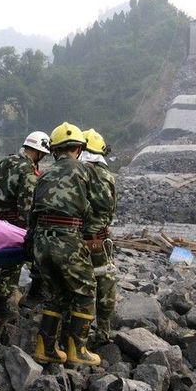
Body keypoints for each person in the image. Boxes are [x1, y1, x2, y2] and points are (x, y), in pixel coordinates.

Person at [28, 122, 100, 366]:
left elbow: (32, 213)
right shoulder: (85, 171)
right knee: (86, 288)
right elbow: (97, 209)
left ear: (55, 150)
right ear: (79, 148)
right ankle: (76, 348)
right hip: (67, 237)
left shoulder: (44, 174)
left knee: (56, 292)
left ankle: (45, 346)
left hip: (41, 239)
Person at [0, 131, 50, 322]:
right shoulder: (27, 171)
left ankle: (2, 308)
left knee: (3, 263)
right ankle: (3, 312)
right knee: (12, 267)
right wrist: (29, 231)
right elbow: (26, 206)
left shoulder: (6, 161)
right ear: (38, 152)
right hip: (14, 223)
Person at [80, 129, 117, 344]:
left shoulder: (72, 173)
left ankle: (74, 332)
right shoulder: (106, 176)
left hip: (71, 239)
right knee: (104, 282)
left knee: (75, 283)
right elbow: (109, 210)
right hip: (97, 240)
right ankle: (103, 331)